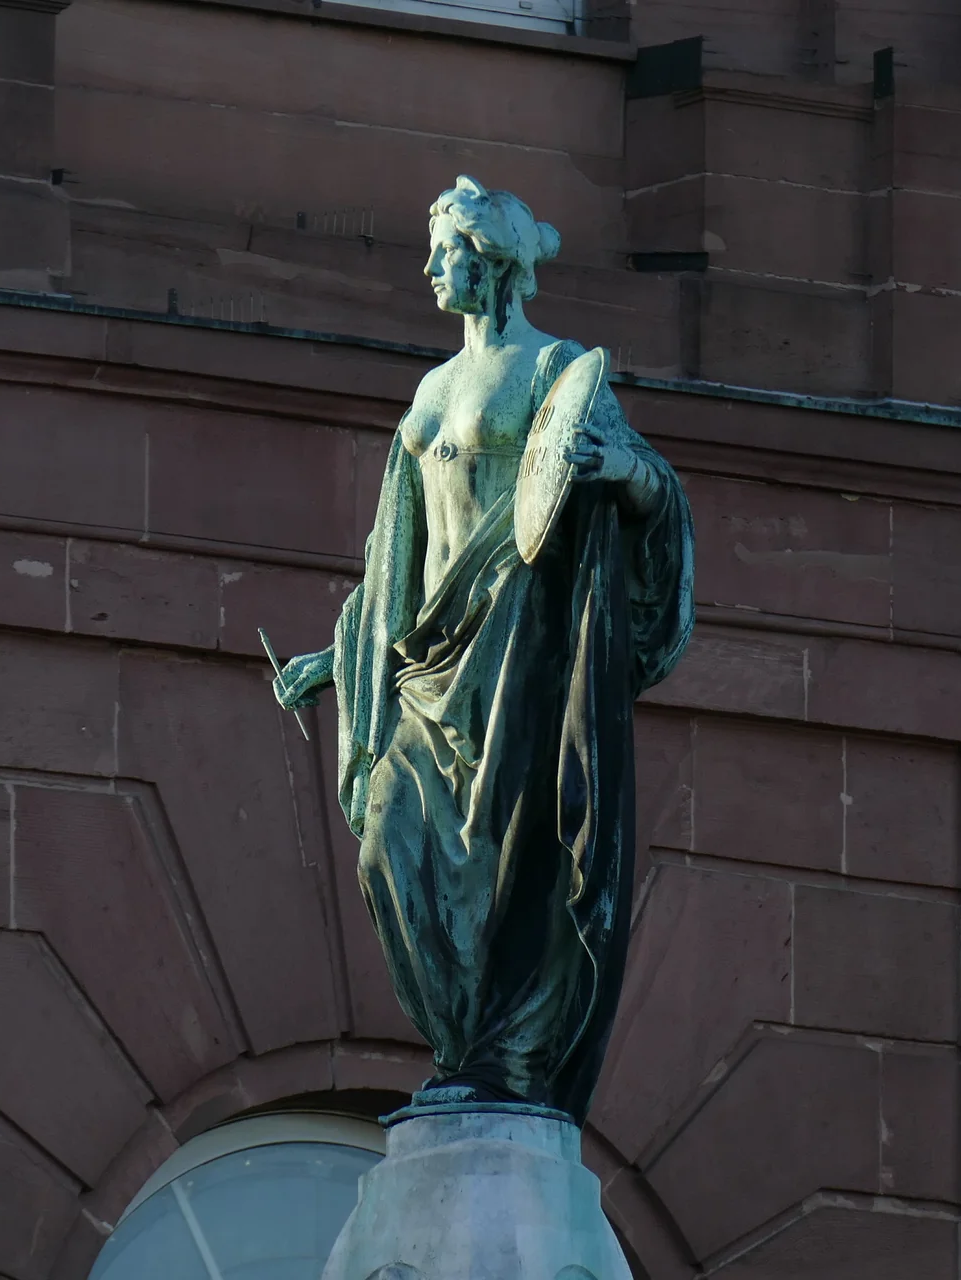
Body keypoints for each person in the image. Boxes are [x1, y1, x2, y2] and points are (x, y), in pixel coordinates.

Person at [272, 176, 694, 1123]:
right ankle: (467, 1046)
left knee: (512, 866)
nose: (429, 268)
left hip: (518, 659)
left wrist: (620, 473)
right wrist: (336, 658)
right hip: (427, 668)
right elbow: (395, 559)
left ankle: (502, 1056)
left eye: (445, 251)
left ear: (491, 263)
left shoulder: (557, 373)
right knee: (389, 846)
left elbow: (647, 486)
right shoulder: (429, 391)